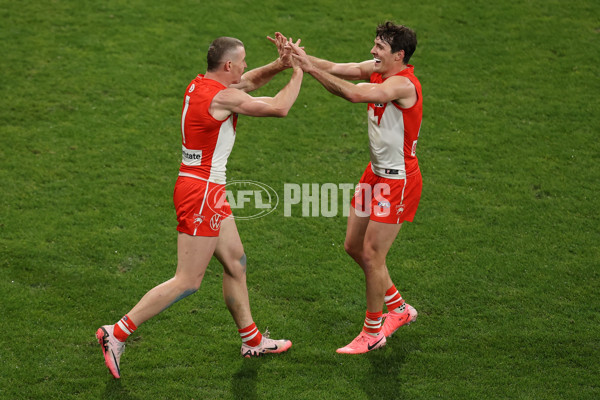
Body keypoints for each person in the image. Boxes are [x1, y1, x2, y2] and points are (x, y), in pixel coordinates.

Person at [96, 34, 303, 378]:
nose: (247, 65)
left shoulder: (201, 85)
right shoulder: (223, 96)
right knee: (188, 280)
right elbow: (279, 107)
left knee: (236, 262)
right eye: (243, 60)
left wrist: (280, 64)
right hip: (202, 193)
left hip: (204, 188)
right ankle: (116, 333)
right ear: (228, 66)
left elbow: (248, 82)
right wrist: (298, 71)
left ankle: (252, 340)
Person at [290, 22, 422, 354]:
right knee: (353, 246)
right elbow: (337, 69)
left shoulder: (403, 85)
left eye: (379, 47)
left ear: (399, 55)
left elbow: (353, 93)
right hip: (374, 174)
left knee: (373, 254)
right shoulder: (377, 70)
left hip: (397, 181)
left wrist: (308, 70)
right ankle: (400, 309)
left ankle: (373, 330)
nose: (372, 51)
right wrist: (300, 56)